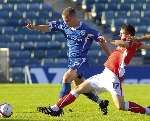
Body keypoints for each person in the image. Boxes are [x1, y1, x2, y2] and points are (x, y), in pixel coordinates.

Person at [40, 24, 150, 117]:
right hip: (104, 74)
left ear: (129, 34)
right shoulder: (132, 42)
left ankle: (147, 111)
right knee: (78, 89)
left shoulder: (131, 43)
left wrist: (109, 40)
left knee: (120, 106)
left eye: (122, 33)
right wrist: (139, 39)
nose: (120, 35)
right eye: (120, 33)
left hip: (113, 78)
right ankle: (55, 108)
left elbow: (122, 43)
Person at [25, 7, 111, 114]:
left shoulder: (86, 30)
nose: (65, 22)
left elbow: (101, 41)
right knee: (80, 87)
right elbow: (48, 28)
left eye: (67, 20)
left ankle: (57, 109)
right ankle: (101, 102)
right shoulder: (64, 26)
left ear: (73, 18)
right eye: (64, 20)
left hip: (81, 61)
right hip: (71, 61)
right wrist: (34, 27)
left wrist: (110, 56)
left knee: (66, 78)